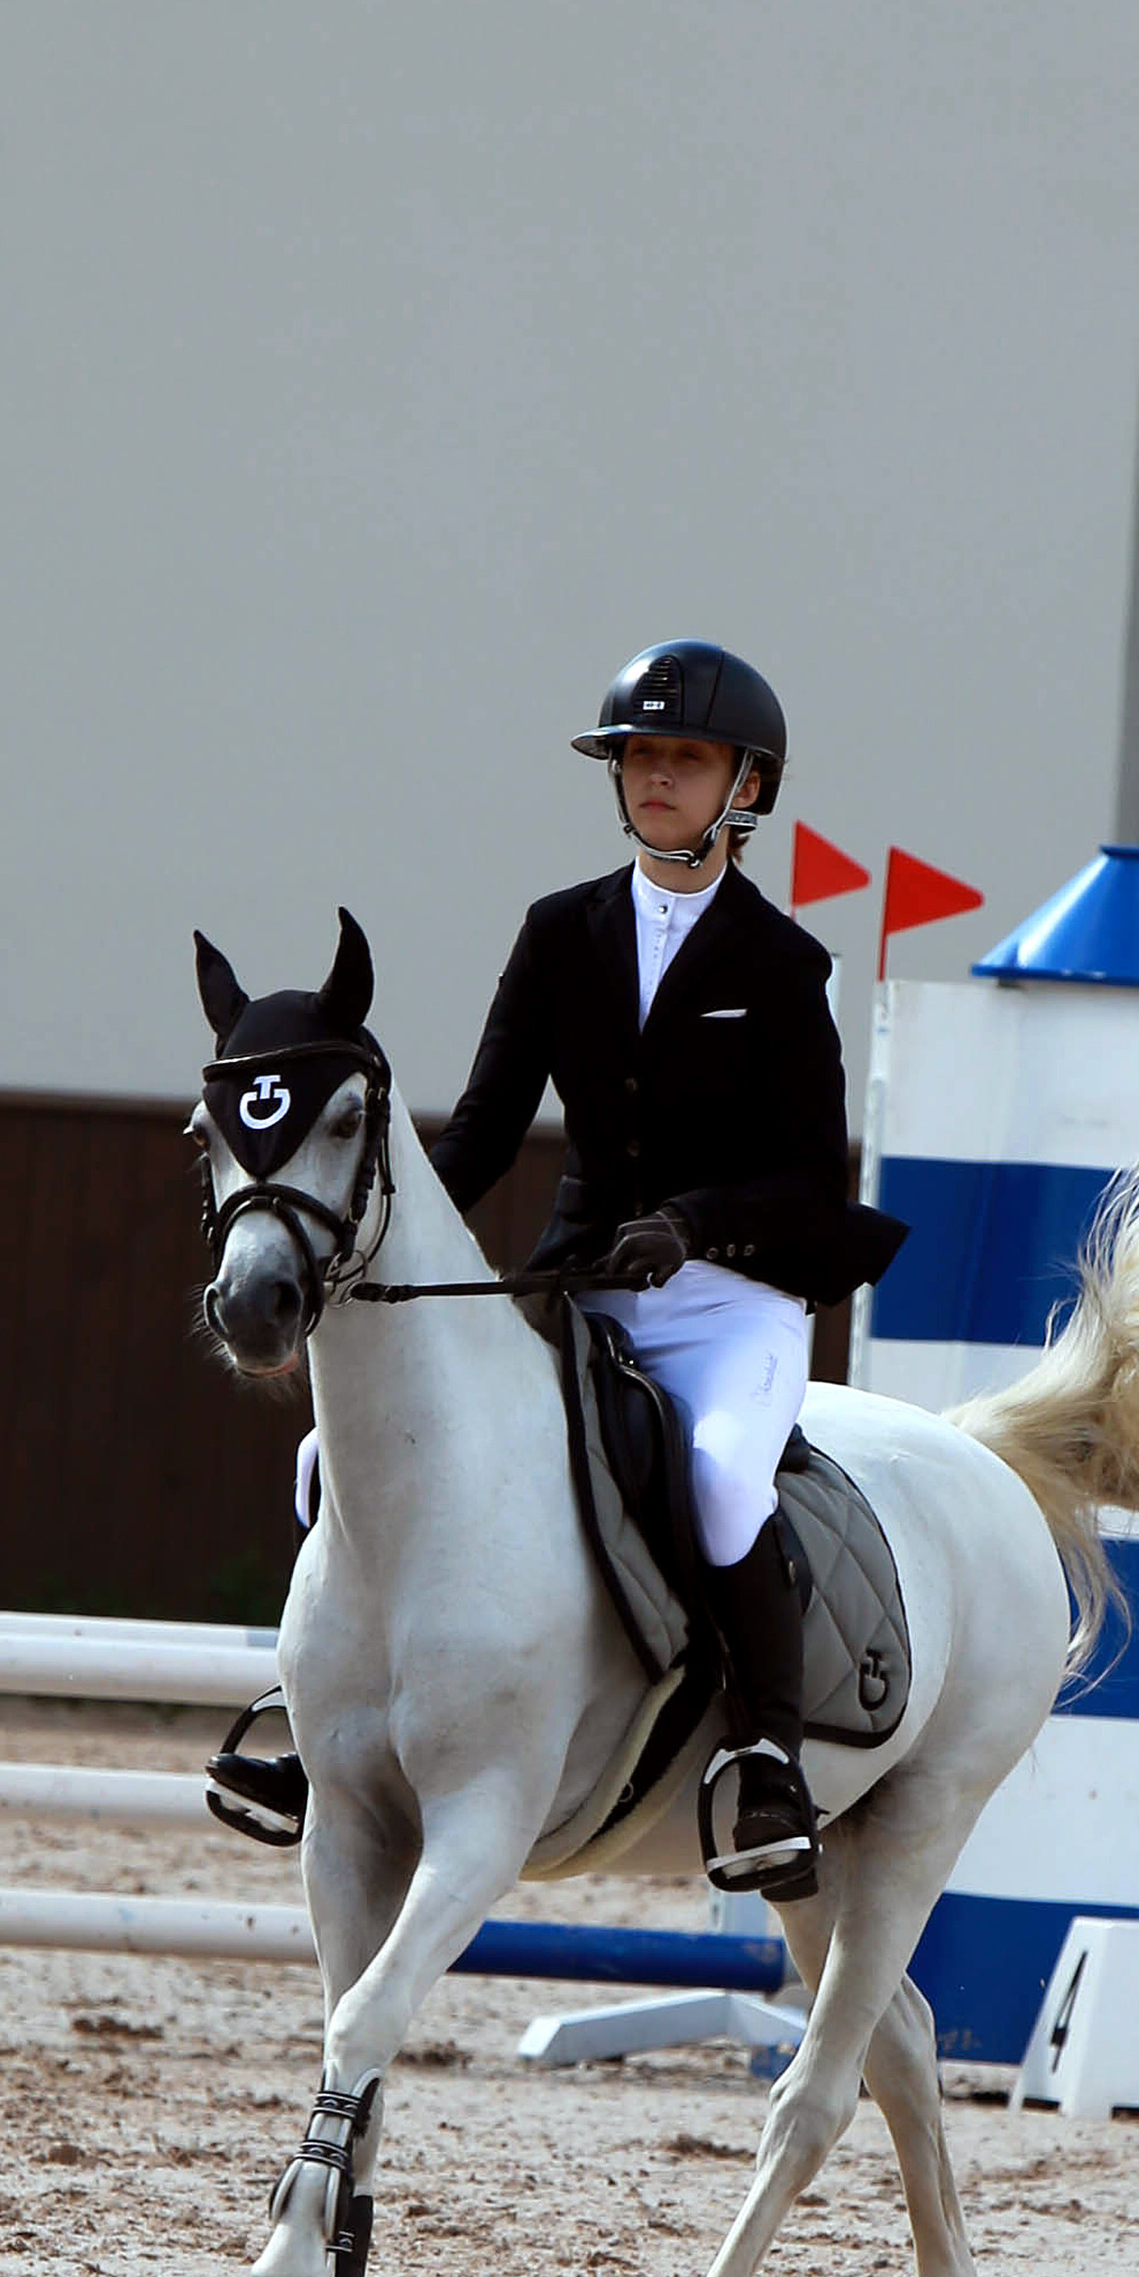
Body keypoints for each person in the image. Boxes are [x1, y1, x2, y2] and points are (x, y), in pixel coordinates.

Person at [422, 639, 900, 1901]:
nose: (656, 778)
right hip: (577, 1281)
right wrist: (381, 1234)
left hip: (725, 1301)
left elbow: (809, 1178)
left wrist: (693, 1223)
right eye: (639, 757)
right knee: (385, 1440)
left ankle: (769, 1763)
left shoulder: (785, 968)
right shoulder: (557, 931)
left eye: (684, 758)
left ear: (746, 785)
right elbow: (477, 1131)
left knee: (722, 1475)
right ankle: (334, 1714)